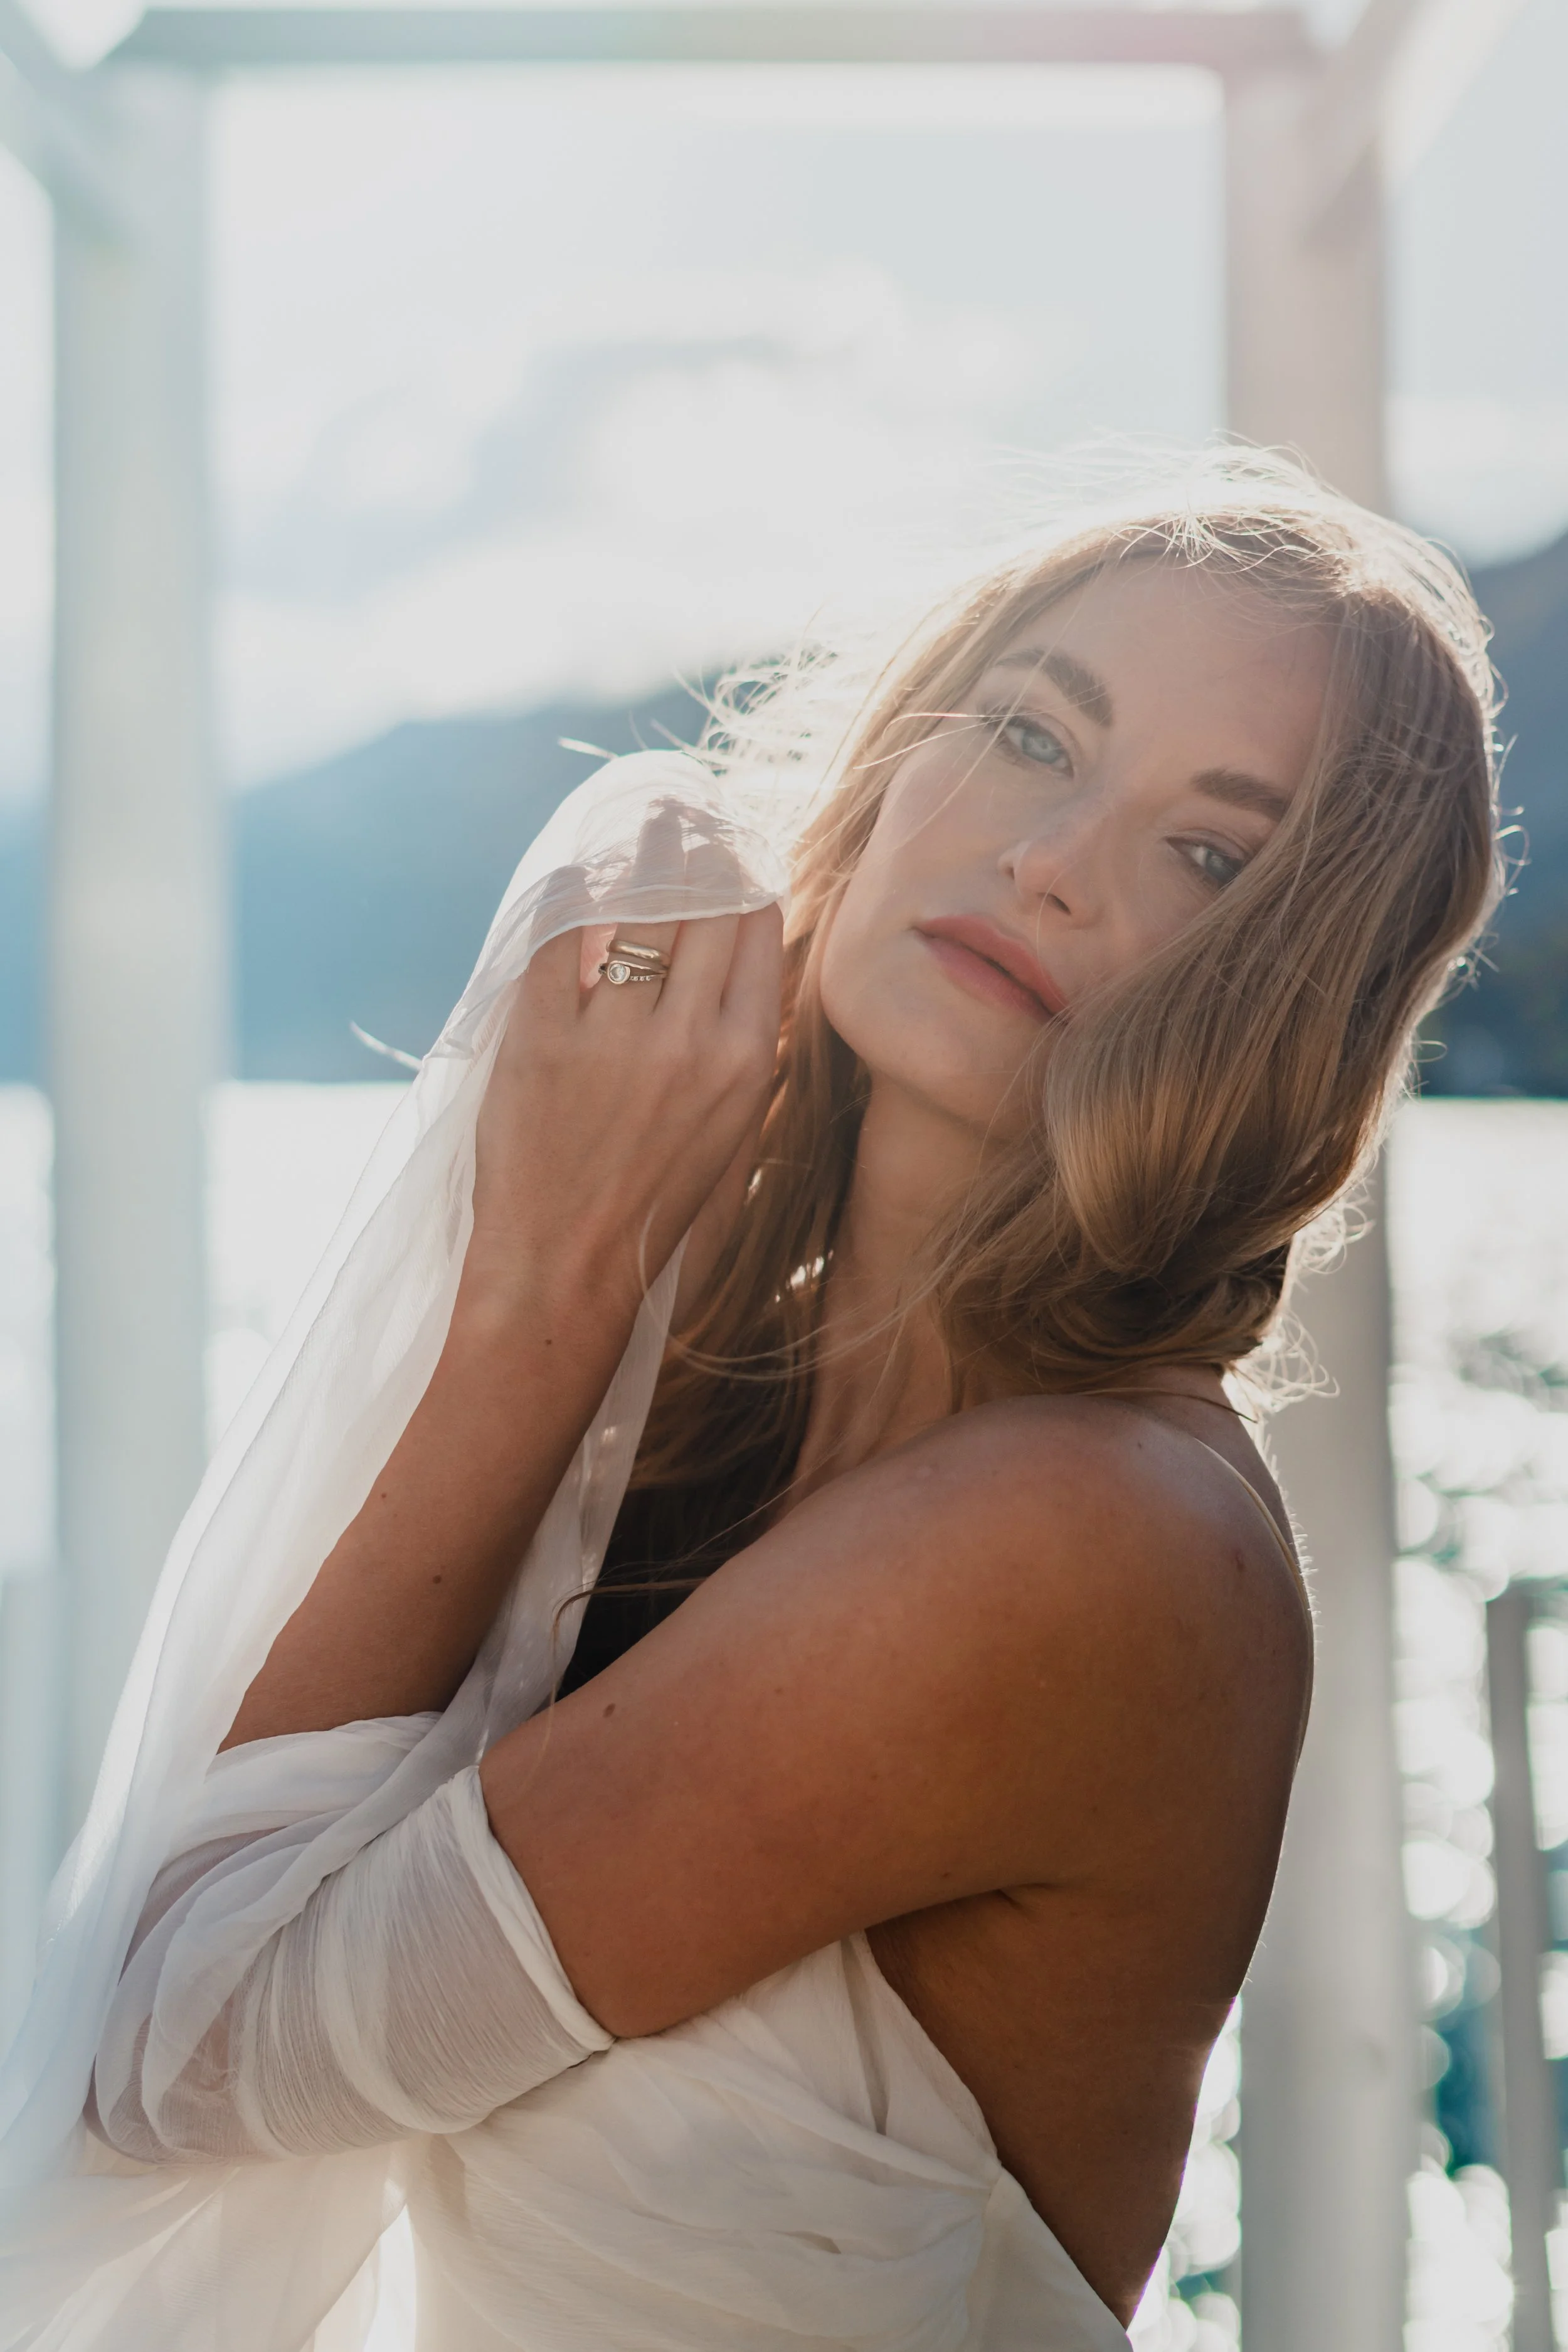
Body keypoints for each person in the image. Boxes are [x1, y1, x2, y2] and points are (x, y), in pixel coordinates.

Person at [1, 455, 1500, 2352]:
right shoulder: (717, 1405)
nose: (1054, 858)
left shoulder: (1074, 1539)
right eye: (1036, 733)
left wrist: (540, 1287)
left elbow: (179, 2051)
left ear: (1288, 1000)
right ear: (891, 765)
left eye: (1207, 853)